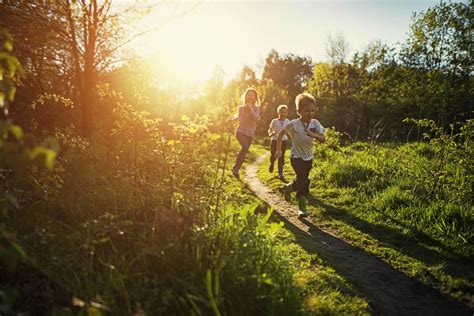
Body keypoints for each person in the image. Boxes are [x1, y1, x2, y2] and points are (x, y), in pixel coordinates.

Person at [275, 93, 325, 217]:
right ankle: (302, 208)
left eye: (312, 110)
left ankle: (289, 188)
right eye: (307, 110)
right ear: (299, 111)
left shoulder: (315, 123)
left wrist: (313, 135)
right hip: (296, 157)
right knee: (304, 180)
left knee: (302, 180)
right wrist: (278, 150)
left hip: (309, 158)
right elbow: (280, 134)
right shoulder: (293, 123)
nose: (310, 113)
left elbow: (323, 139)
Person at [231, 88, 261, 179]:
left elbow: (256, 119)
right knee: (244, 147)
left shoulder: (256, 108)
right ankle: (236, 168)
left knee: (244, 151)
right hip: (240, 131)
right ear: (246, 96)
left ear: (255, 97)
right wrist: (230, 121)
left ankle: (236, 168)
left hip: (250, 133)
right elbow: (238, 118)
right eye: (248, 94)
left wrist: (251, 109)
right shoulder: (241, 108)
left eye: (252, 95)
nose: (250, 96)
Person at [268, 104, 290, 180]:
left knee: (282, 155)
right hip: (274, 139)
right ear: (278, 112)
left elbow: (289, 130)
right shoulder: (274, 121)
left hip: (284, 140)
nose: (283, 114)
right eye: (281, 112)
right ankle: (272, 163)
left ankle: (280, 173)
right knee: (273, 152)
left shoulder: (287, 121)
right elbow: (270, 129)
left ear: (286, 113)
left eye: (284, 112)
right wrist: (271, 133)